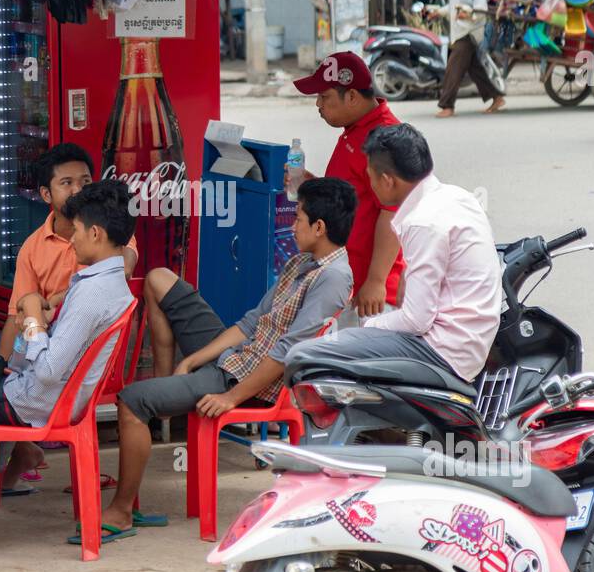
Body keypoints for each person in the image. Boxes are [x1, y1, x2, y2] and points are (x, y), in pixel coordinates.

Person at [100, 178, 356, 542]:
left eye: (298, 218)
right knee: (159, 279)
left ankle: (122, 511)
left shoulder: (333, 278)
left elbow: (287, 356)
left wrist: (230, 398)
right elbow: (251, 322)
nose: (292, 224)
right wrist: (193, 361)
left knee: (131, 401)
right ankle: (172, 389)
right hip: (236, 357)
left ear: (319, 227)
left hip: (243, 380)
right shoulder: (302, 262)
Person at [286, 123, 501, 386]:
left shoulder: (423, 221)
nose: (371, 185)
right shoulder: (456, 197)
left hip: (443, 349)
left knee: (303, 354)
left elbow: (416, 319)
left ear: (388, 181)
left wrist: (366, 328)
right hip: (467, 341)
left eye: (371, 177)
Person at [0, 180, 135, 491]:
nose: (73, 240)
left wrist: (33, 318)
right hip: (45, 398)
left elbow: (49, 371)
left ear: (95, 234)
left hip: (26, 403)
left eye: (77, 231)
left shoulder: (92, 293)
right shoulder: (112, 285)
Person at [293, 52, 404, 325]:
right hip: (343, 277)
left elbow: (393, 214)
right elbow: (354, 195)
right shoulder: (354, 130)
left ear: (352, 96)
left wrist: (376, 281)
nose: (318, 105)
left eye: (325, 97)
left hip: (367, 293)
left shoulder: (385, 137)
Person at [0, 143, 137, 359]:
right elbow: (18, 313)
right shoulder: (32, 248)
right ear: (46, 194)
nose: (78, 190)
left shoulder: (107, 229)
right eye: (67, 183)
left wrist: (56, 300)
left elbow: (124, 269)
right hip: (57, 349)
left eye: (86, 182)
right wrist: (1, 366)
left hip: (101, 350)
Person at [435, 0, 505, 117]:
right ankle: (496, 97)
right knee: (475, 69)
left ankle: (447, 105)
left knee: (453, 68)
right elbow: (453, 6)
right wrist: (438, 12)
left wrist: (468, 15)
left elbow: (481, 9)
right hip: (459, 32)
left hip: (470, 32)